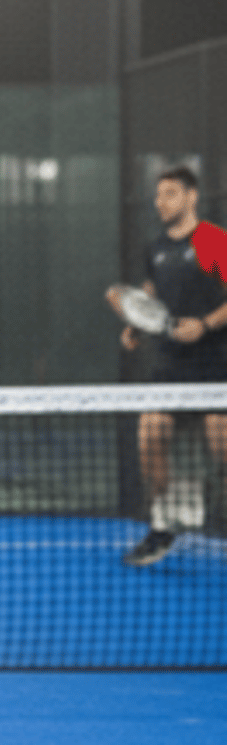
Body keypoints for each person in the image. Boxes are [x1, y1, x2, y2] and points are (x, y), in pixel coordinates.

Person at [106, 166, 227, 566]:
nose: (161, 202)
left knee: (220, 441)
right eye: (158, 195)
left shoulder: (211, 240)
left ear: (191, 198)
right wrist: (133, 326)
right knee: (150, 436)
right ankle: (163, 526)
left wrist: (205, 324)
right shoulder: (155, 247)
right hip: (169, 364)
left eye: (170, 194)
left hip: (214, 362)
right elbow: (151, 295)